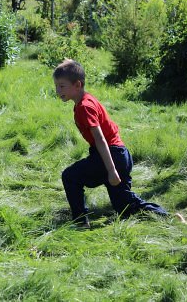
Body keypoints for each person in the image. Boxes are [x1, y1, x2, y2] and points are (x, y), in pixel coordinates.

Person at [53, 59, 169, 228]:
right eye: (56, 86)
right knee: (124, 207)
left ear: (77, 84)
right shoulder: (86, 100)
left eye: (62, 86)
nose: (57, 90)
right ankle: (165, 216)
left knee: (70, 176)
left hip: (112, 156)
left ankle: (80, 223)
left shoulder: (85, 107)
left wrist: (111, 170)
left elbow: (100, 139)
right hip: (120, 154)